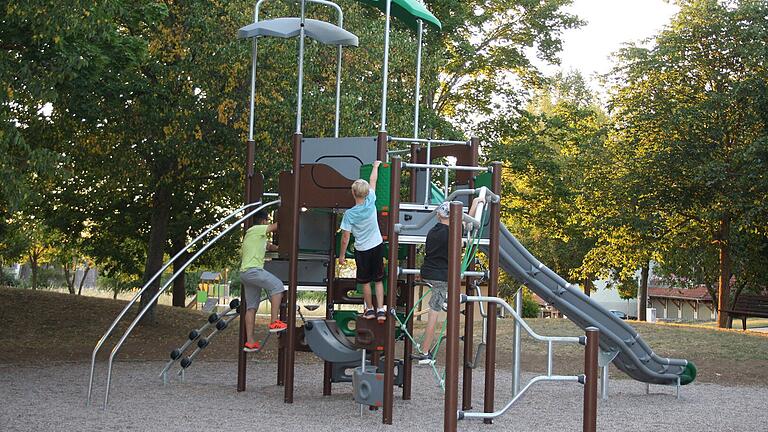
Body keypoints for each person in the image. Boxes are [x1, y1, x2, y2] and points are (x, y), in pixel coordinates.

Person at [412, 194, 486, 365]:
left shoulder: (433, 231)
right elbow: (467, 226)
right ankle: (424, 352)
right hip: (441, 277)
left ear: (439, 215)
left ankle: (446, 299)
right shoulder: (453, 234)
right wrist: (475, 204)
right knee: (433, 313)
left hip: (428, 273)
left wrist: (474, 203)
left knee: (436, 306)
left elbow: (462, 223)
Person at [339, 160, 387, 323]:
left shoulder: (350, 214)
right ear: (366, 193)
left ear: (353, 193)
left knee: (365, 281)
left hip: (362, 249)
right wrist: (375, 166)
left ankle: (370, 309)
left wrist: (342, 255)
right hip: (377, 245)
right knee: (378, 279)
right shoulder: (371, 200)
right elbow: (373, 180)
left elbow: (345, 238)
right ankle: (381, 309)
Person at [240, 210, 287, 352]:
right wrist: (291, 216)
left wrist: (281, 248)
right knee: (278, 286)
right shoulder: (256, 229)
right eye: (267, 221)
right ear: (263, 221)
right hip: (253, 270)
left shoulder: (254, 236)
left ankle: (250, 341)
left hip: (245, 273)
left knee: (251, 307)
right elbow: (277, 226)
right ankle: (274, 322)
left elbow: (269, 247)